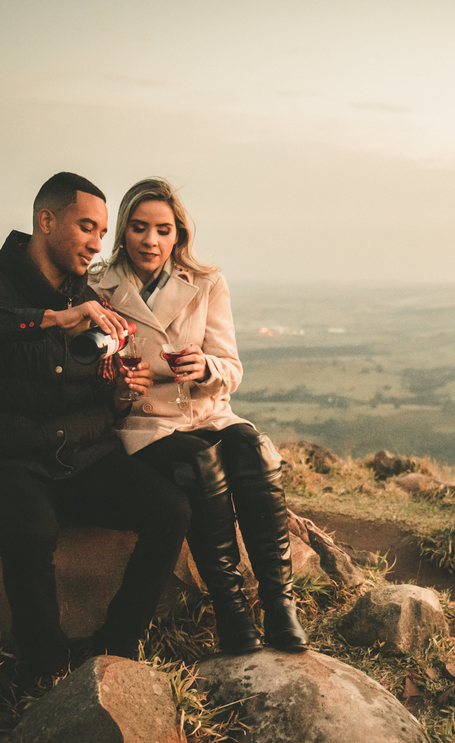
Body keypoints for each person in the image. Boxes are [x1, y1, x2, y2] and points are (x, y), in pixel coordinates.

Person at [0, 172, 190, 684]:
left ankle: (115, 650)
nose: (97, 242)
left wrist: (122, 390)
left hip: (85, 462)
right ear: (46, 221)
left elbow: (107, 397)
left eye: (101, 229)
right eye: (86, 226)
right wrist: (48, 319)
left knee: (171, 509)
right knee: (31, 529)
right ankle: (45, 673)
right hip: (6, 463)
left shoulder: (96, 303)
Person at [90, 176, 308, 653]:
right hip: (144, 423)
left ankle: (279, 606)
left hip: (206, 411)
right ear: (123, 231)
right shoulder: (96, 288)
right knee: (199, 461)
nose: (151, 240)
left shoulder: (207, 282)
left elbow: (231, 368)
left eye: (163, 230)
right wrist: (120, 387)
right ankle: (231, 611)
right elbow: (84, 376)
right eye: (140, 228)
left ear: (179, 234)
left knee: (253, 449)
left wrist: (204, 367)